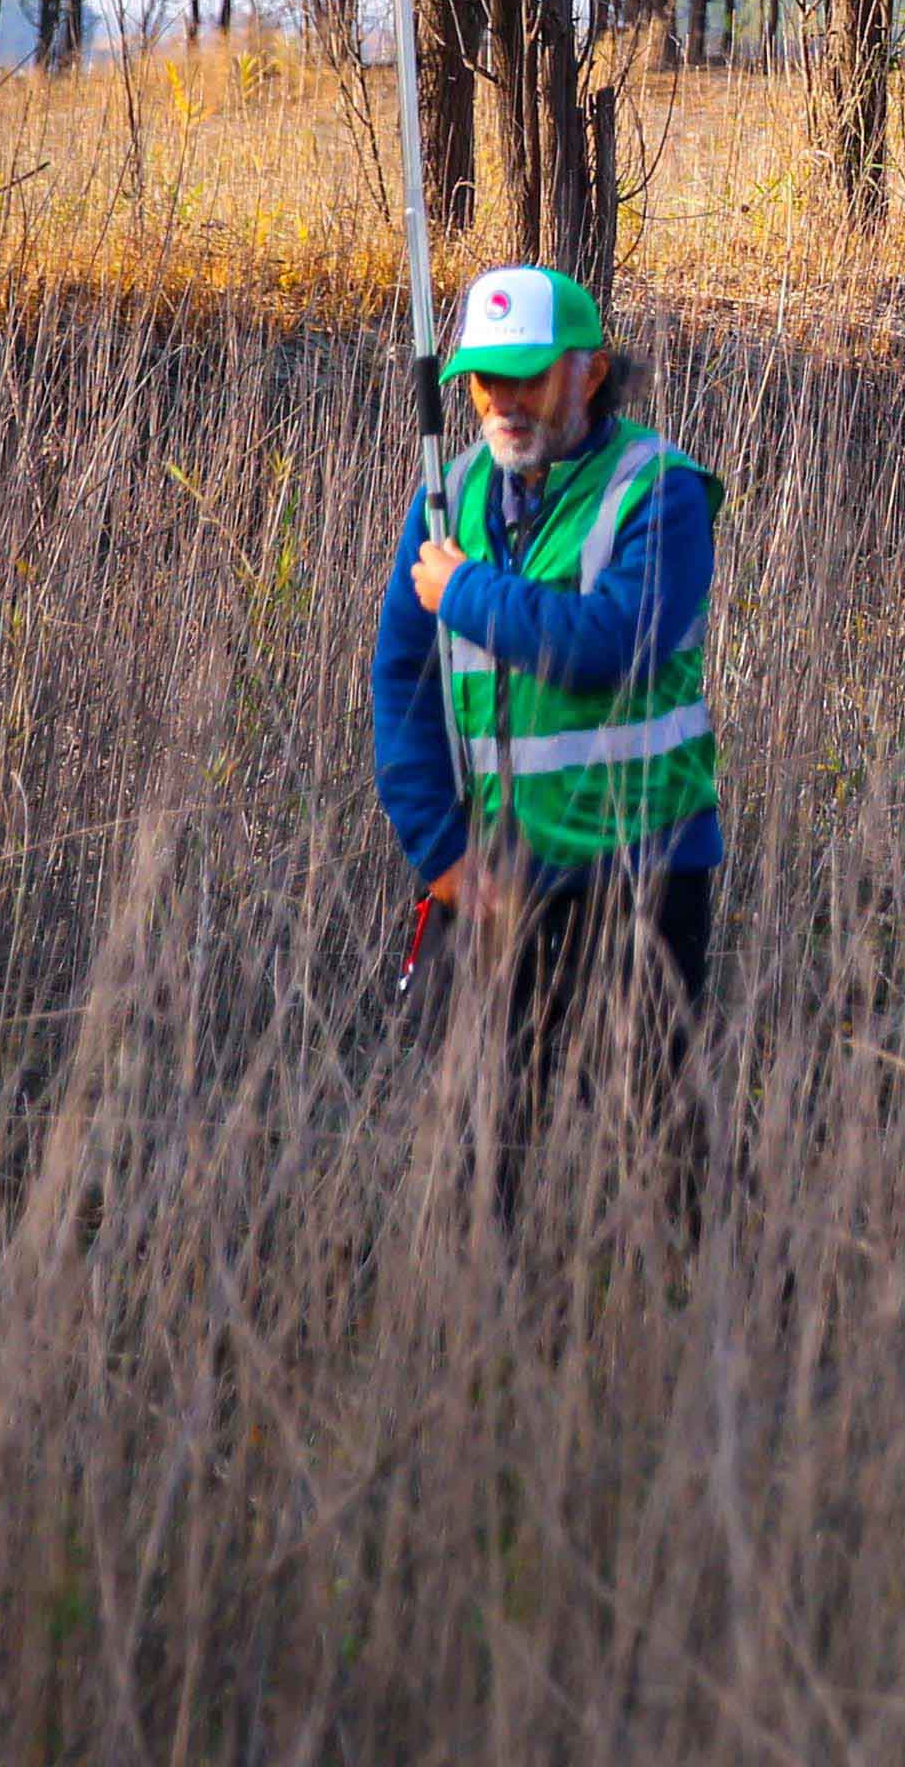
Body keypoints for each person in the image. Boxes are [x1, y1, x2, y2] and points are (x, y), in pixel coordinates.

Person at [368, 261, 724, 1192]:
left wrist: (467, 590)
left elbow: (613, 645)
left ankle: (735, 1322)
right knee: (475, 1156)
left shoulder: (662, 492)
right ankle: (485, 1328)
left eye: (528, 374)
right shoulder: (445, 500)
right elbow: (401, 680)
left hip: (641, 868)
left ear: (591, 371)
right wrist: (441, 852)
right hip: (497, 876)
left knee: (668, 1146)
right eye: (487, 380)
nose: (505, 402)